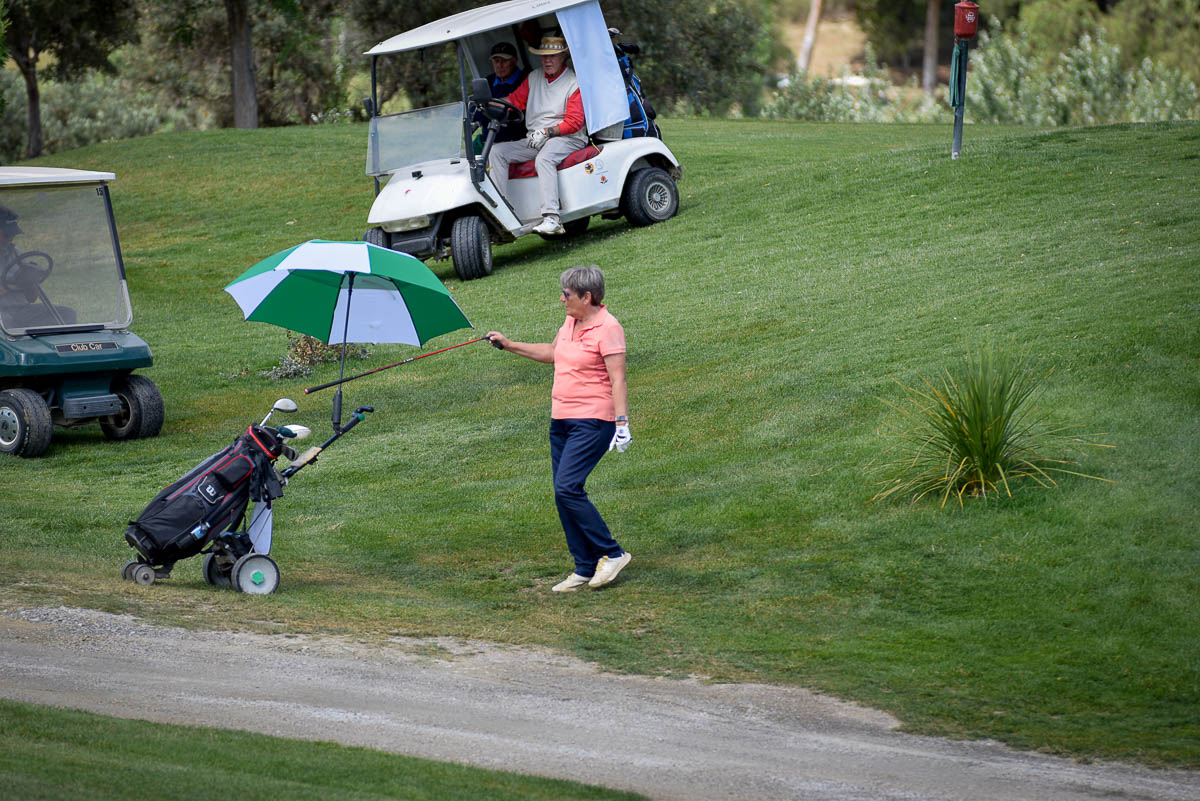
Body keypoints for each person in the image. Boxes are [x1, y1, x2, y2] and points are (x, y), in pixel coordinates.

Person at [486, 265, 633, 592]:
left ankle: (613, 553)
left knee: (567, 488)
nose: (562, 299)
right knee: (562, 494)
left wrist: (621, 423)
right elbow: (553, 353)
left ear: (587, 296)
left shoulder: (609, 328)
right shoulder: (571, 322)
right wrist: (509, 345)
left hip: (594, 420)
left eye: (567, 294)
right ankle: (583, 566)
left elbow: (618, 379)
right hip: (562, 421)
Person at [486, 34, 589, 236]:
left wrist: (547, 132)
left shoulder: (573, 82)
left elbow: (574, 122)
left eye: (553, 56)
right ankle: (502, 214)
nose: (548, 60)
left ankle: (552, 217)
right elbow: (515, 100)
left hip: (568, 138)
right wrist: (488, 103)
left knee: (544, 159)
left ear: (563, 57)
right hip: (536, 137)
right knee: (497, 151)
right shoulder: (534, 77)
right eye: (544, 56)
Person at [0, 205, 74, 330]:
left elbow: (31, 298)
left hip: (21, 311)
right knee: (7, 323)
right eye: (7, 235)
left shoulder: (17, 254)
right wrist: (18, 284)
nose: (11, 239)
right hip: (2, 315)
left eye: (13, 234)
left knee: (67, 314)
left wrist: (32, 281)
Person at [473, 41, 527, 143]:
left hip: (516, 140)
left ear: (515, 61)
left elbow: (516, 115)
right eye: (496, 61)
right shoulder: (488, 81)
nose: (499, 65)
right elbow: (476, 110)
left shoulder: (525, 81)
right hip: (488, 139)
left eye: (504, 61)